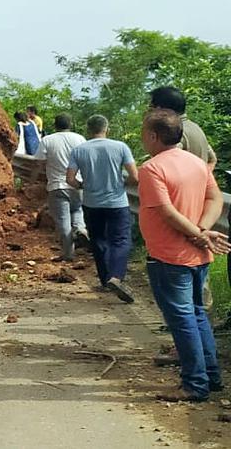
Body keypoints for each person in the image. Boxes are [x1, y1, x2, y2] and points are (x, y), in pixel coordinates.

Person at [137, 109, 229, 401]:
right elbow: (214, 198)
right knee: (198, 315)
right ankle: (211, 378)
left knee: (182, 320)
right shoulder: (197, 163)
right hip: (197, 255)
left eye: (143, 133)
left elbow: (166, 212)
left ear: (153, 136)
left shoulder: (152, 169)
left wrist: (198, 233)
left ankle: (195, 385)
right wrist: (202, 229)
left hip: (169, 255)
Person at [67, 114, 138, 302]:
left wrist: (82, 186)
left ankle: (106, 280)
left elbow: (70, 179)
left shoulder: (79, 150)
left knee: (98, 240)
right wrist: (123, 183)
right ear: (107, 128)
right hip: (117, 202)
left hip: (91, 203)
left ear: (88, 130)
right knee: (121, 240)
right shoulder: (120, 147)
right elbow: (135, 176)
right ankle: (116, 276)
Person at [35, 114, 87, 261]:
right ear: (70, 124)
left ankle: (68, 254)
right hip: (77, 184)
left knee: (63, 221)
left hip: (57, 185)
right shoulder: (80, 139)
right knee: (77, 210)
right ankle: (81, 229)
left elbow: (38, 162)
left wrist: (36, 177)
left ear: (55, 125)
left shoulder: (47, 140)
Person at [149, 86, 217, 170]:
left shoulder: (173, 131)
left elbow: (165, 165)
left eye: (151, 107)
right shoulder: (196, 128)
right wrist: (205, 176)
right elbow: (212, 159)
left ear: (160, 109)